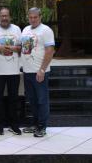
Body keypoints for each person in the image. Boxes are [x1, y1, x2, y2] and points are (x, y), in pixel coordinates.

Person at [21, 7, 55, 137]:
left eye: (35, 17)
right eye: (31, 17)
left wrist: (42, 69)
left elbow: (50, 51)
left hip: (39, 71)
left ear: (40, 17)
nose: (33, 19)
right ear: (28, 17)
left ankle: (42, 126)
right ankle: (35, 124)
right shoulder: (25, 30)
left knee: (42, 100)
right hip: (27, 71)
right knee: (32, 100)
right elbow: (25, 49)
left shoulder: (46, 30)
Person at [0, 8, 22, 135]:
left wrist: (12, 48)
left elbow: (21, 47)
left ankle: (14, 125)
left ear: (10, 17)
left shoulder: (17, 29)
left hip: (13, 70)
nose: (4, 18)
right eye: (2, 16)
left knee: (13, 98)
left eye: (6, 16)